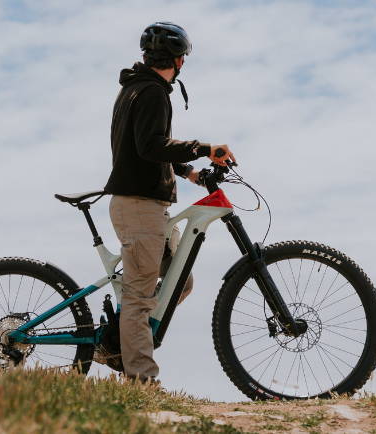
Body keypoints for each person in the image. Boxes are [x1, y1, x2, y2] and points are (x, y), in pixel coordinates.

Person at [103, 21, 236, 383]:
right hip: (139, 206)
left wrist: (191, 173)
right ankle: (140, 377)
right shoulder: (150, 92)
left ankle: (120, 341)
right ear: (178, 60)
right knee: (139, 297)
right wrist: (204, 147)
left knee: (181, 282)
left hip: (146, 205)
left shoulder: (139, 88)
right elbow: (151, 145)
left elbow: (150, 145)